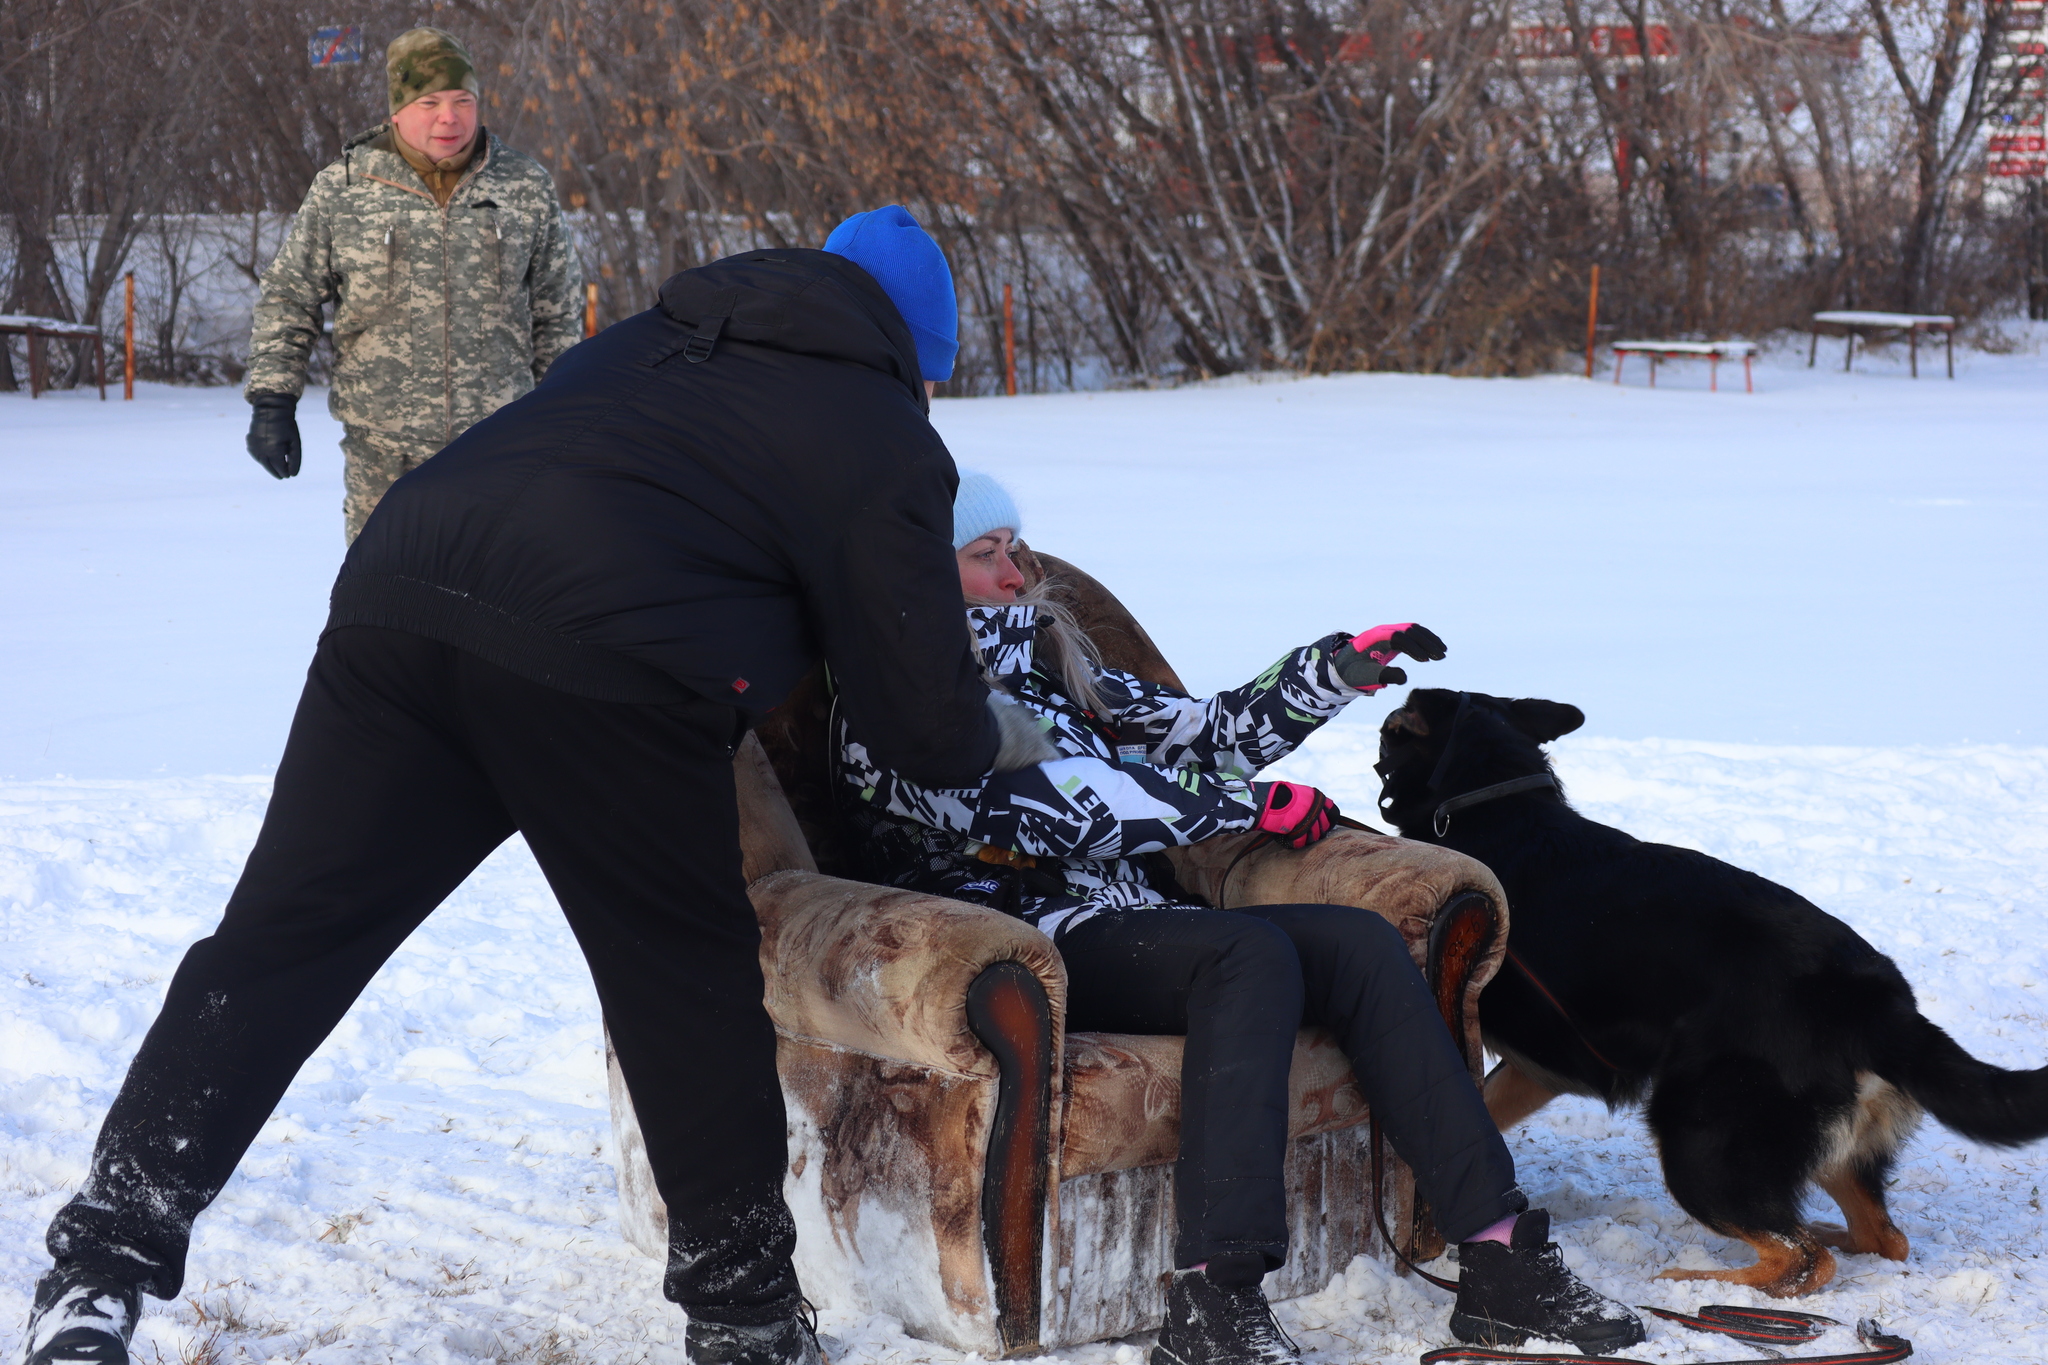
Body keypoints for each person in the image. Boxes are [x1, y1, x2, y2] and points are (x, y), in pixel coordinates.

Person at [16, 208, 1045, 1365]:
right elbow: (919, 717)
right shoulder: (879, 427)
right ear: (909, 351)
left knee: (279, 946)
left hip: (400, 598)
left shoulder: (648, 338)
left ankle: (96, 1268)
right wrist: (999, 731)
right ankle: (747, 1317)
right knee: (682, 979)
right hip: (607, 657)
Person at [838, 473, 1649, 1365]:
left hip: (1130, 915)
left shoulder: (1057, 670)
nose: (1016, 571)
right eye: (984, 554)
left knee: (1364, 947)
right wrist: (1243, 809)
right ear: (917, 575)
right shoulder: (891, 710)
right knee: (1249, 956)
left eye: (1016, 547)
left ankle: (1500, 1262)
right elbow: (1053, 806)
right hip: (1027, 934)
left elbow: (1207, 729)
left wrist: (1332, 668)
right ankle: (1212, 1301)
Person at [241, 27, 583, 542]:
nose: (450, 116)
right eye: (430, 101)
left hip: (499, 448)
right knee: (384, 602)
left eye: (462, 100)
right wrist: (273, 400)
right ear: (397, 109)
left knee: (495, 605)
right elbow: (290, 298)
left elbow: (557, 312)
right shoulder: (346, 187)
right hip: (384, 456)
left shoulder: (523, 186)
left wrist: (563, 416)